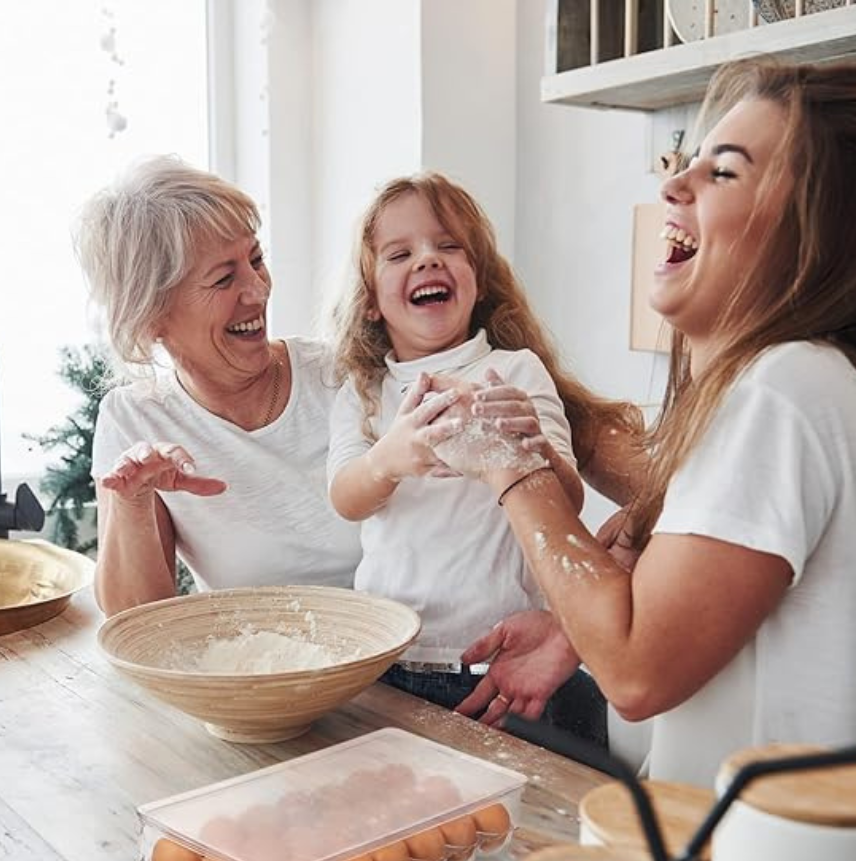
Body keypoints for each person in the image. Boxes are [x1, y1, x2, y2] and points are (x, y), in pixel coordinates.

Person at [452, 58, 856, 785]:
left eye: (721, 173)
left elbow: (637, 667)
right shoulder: (813, 389)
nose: (672, 185)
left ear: (819, 231)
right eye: (685, 163)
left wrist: (513, 464)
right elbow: (686, 613)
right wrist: (579, 625)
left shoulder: (785, 391)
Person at [326, 172, 642, 749]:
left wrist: (533, 452)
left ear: (479, 281)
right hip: (389, 660)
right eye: (401, 253)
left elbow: (566, 501)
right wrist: (388, 460)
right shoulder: (364, 392)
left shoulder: (517, 371)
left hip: (504, 657)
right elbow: (346, 497)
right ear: (371, 301)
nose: (428, 261)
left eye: (449, 247)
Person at [75, 156, 362, 615]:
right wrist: (132, 504)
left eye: (256, 259)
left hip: (401, 666)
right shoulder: (136, 418)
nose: (258, 290)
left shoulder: (342, 376)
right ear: (152, 318)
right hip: (256, 675)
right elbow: (138, 619)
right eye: (224, 278)